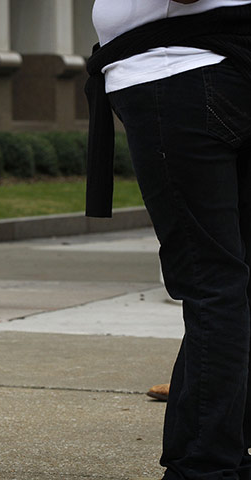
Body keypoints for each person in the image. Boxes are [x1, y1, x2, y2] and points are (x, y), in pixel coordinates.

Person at [86, 1, 251, 478]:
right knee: (231, 280)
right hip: (223, 67)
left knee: (212, 283)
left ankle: (205, 466)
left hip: (180, 73)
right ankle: (224, 451)